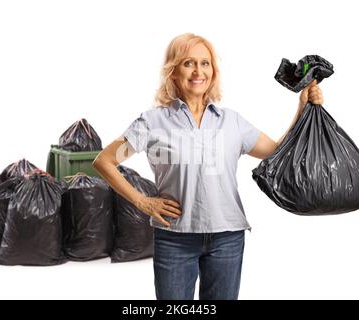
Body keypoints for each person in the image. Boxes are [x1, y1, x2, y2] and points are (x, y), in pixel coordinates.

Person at [93, 33, 323, 300]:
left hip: (227, 238)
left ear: (213, 72)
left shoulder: (231, 122)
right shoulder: (152, 123)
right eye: (188, 63)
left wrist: (302, 108)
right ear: (173, 71)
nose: (198, 71)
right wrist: (142, 202)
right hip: (175, 238)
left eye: (205, 63)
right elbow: (105, 161)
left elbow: (277, 152)